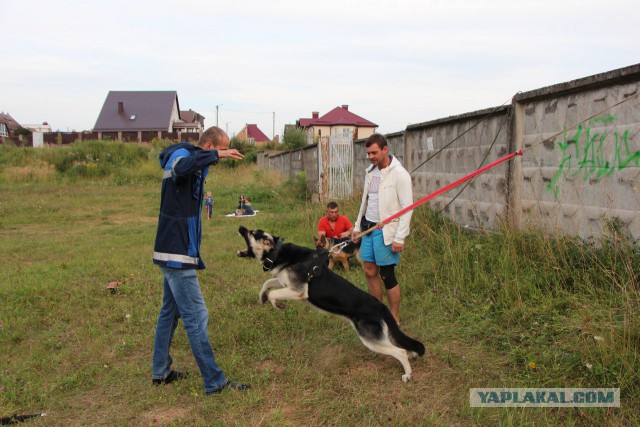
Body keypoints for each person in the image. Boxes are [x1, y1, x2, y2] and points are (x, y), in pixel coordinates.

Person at [151, 126, 251, 395]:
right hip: (176, 254)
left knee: (170, 313)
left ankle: (160, 371)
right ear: (209, 147)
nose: (220, 159)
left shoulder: (194, 161)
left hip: (175, 251)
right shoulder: (182, 156)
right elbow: (181, 168)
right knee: (197, 316)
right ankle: (215, 382)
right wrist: (218, 155)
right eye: (219, 149)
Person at [352, 134, 413, 325]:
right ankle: (378, 313)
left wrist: (400, 237)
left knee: (387, 275)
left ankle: (393, 316)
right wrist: (356, 226)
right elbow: (365, 202)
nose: (370, 156)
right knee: (369, 271)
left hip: (386, 231)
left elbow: (407, 207)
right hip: (368, 228)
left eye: (374, 152)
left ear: (385, 149)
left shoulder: (399, 174)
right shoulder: (370, 172)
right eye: (368, 153)